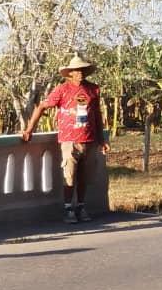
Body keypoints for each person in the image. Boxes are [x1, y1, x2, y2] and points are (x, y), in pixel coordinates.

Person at [21, 53, 109, 223]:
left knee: (84, 176)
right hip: (69, 140)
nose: (80, 73)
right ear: (70, 73)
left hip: (89, 140)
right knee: (69, 175)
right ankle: (68, 208)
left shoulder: (93, 89)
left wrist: (101, 139)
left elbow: (97, 115)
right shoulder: (61, 90)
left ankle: (81, 206)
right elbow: (42, 107)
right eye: (76, 71)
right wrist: (29, 129)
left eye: (82, 70)